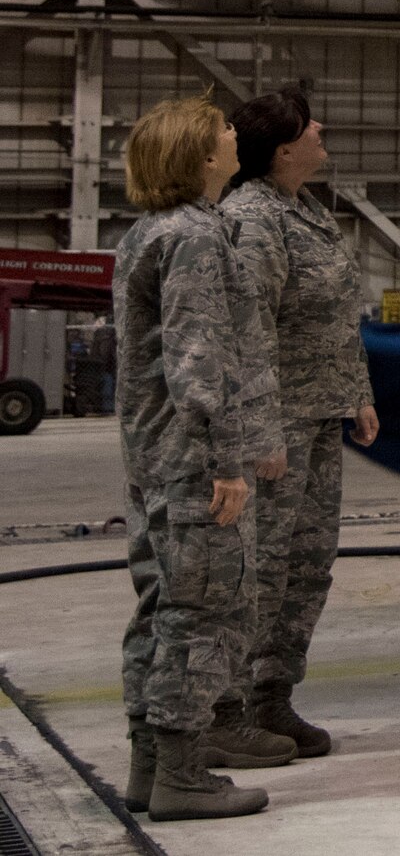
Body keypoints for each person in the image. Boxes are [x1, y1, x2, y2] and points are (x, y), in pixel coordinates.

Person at [114, 95, 286, 820]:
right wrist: (227, 459)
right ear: (201, 153)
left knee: (162, 607)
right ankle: (182, 774)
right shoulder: (194, 236)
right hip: (193, 457)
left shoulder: (150, 231)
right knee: (204, 611)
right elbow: (198, 355)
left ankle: (150, 766)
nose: (232, 135)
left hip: (156, 452)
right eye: (221, 129)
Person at [217, 88, 380, 760]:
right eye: (311, 124)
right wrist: (259, 428)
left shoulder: (307, 210)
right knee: (257, 569)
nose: (322, 128)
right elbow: (246, 327)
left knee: (308, 565)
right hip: (275, 427)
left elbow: (338, 313)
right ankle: (223, 710)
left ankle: (273, 696)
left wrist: (358, 392)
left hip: (318, 415)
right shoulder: (254, 218)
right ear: (286, 147)